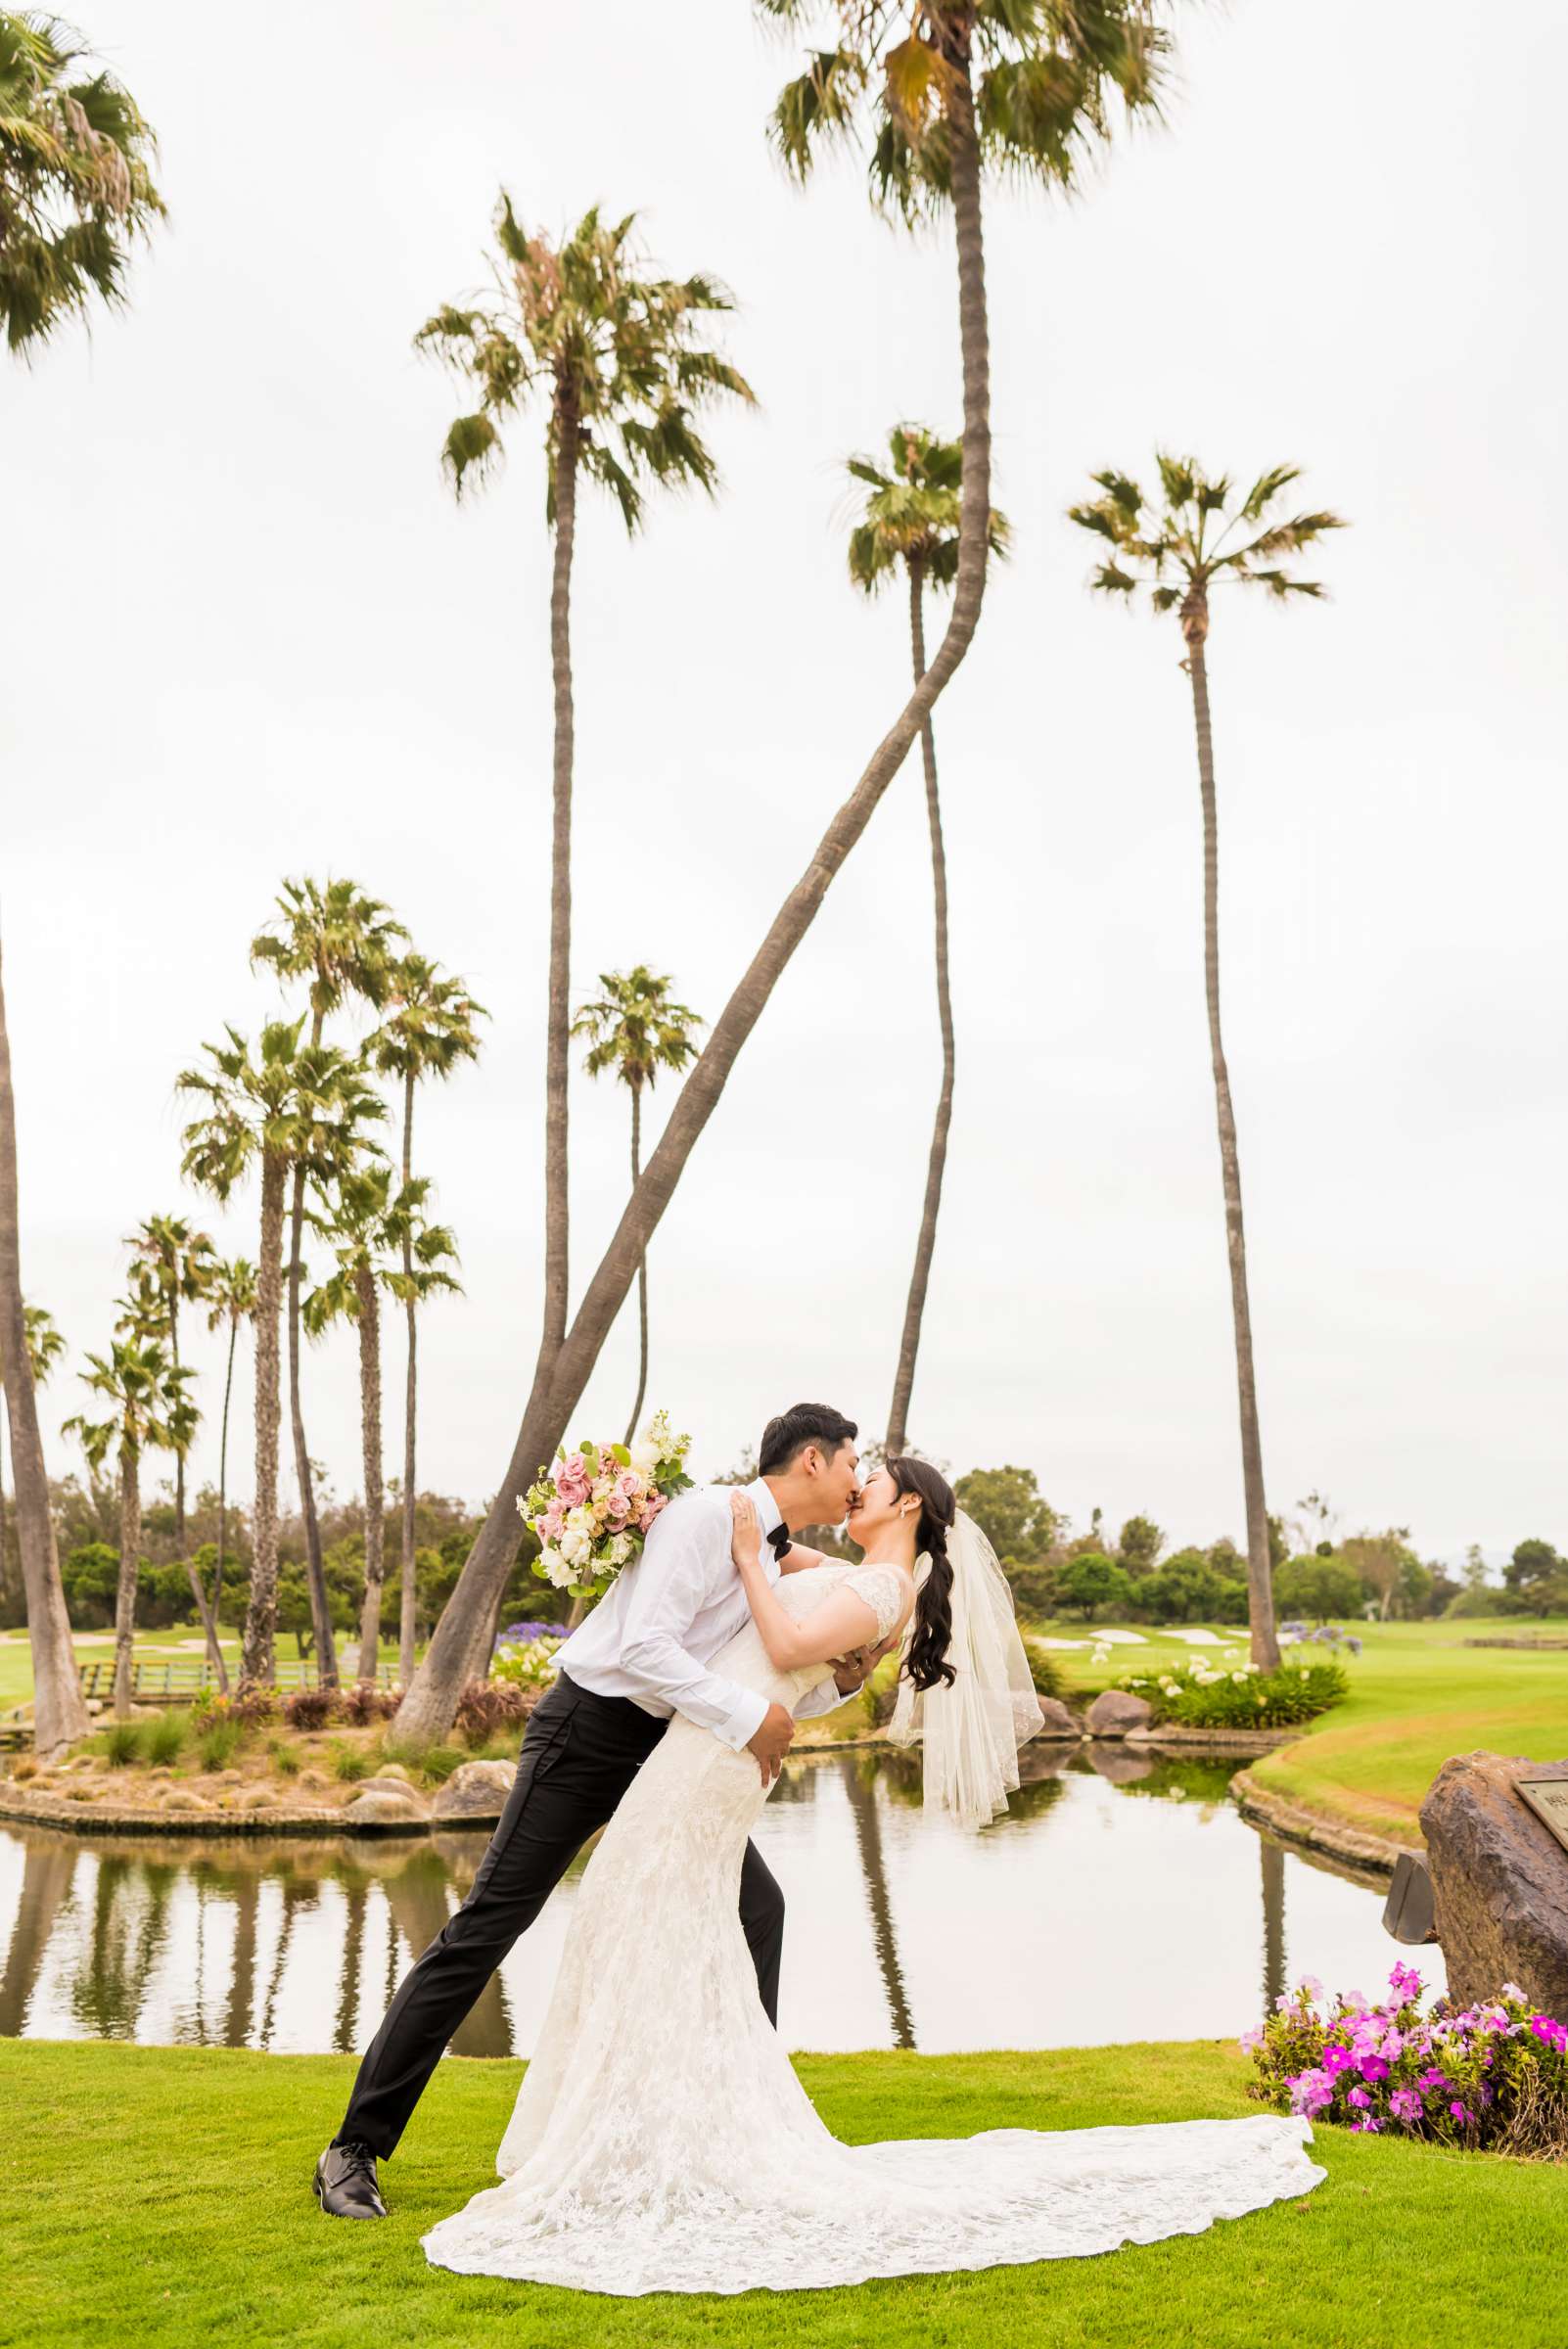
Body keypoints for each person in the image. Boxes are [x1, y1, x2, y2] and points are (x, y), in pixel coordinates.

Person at [418, 1454, 1325, 2293]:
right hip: (691, 1753)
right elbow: (785, 1584)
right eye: (855, 1466)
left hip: (709, 1766)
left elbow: (779, 1648)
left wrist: (742, 1555)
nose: (858, 1485)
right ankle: (673, 2119)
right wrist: (707, 1533)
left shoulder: (882, 1588)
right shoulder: (861, 1579)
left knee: (646, 1913)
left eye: (875, 1476)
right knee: (652, 1919)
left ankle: (697, 2126)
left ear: (910, 1504)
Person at [314, 1402, 868, 2220]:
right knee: (488, 1926)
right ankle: (352, 2148)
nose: (859, 1480)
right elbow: (646, 1647)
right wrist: (751, 1721)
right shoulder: (709, 1515)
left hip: (671, 1748)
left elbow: (767, 1677)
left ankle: (740, 2128)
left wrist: (837, 1683)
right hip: (588, 1731)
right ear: (814, 1461)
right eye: (854, 1462)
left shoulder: (778, 1553)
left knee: (758, 1908)